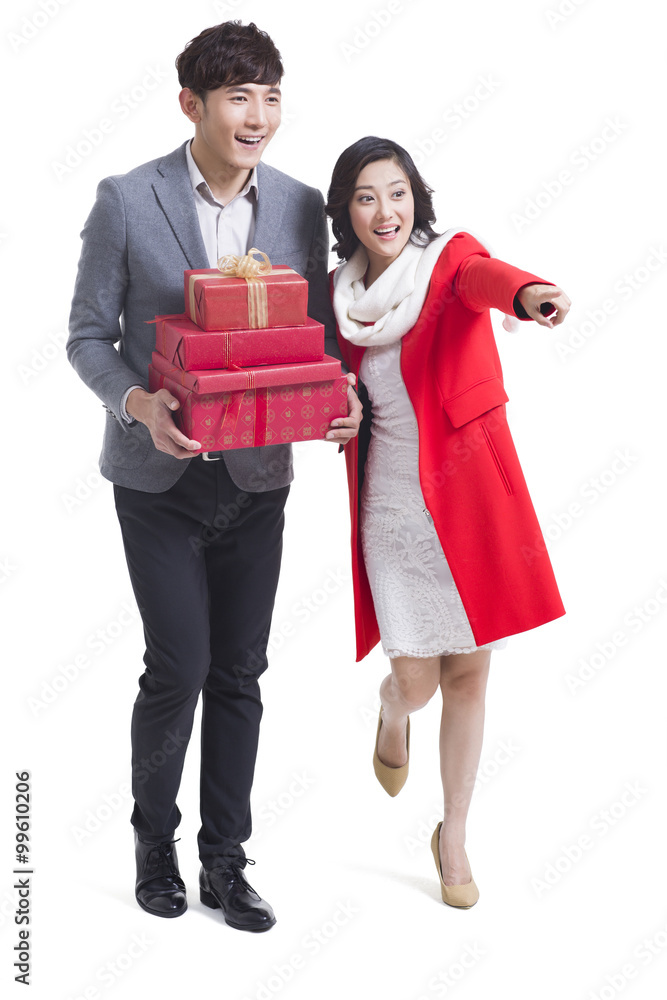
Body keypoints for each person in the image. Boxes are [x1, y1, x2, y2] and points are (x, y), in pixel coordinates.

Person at [67, 21, 361, 931]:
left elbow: (311, 337)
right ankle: (153, 843)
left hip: (258, 479)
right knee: (179, 665)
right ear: (190, 103)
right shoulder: (127, 197)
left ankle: (224, 864)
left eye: (270, 95)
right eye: (238, 96)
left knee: (239, 670)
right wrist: (138, 404)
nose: (258, 115)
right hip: (158, 480)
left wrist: (338, 397)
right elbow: (85, 336)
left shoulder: (300, 204)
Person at [325, 137, 569, 908]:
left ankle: (453, 835)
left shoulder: (446, 263)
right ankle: (390, 712)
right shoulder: (338, 299)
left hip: (467, 503)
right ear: (347, 212)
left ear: (416, 198)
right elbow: (324, 388)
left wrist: (528, 294)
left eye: (396, 193)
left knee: (469, 676)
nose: (384, 211)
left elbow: (485, 278)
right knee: (416, 679)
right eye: (366, 197)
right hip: (391, 512)